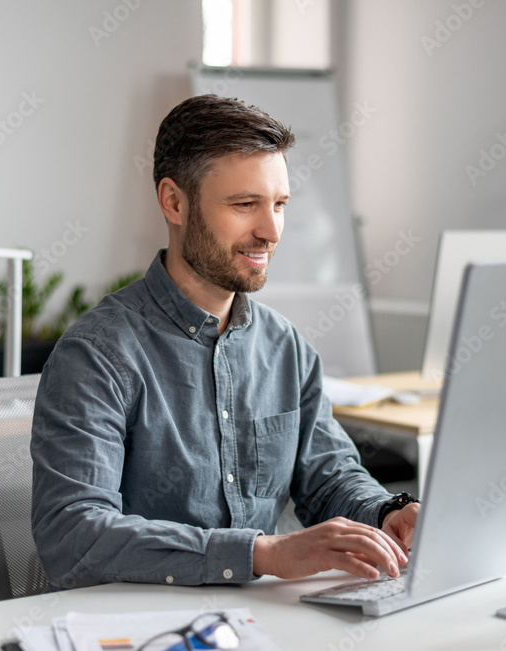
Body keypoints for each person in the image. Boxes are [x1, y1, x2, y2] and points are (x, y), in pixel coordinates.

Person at [31, 94, 420, 590]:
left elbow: (328, 476)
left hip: (259, 621)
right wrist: (261, 553)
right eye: (244, 205)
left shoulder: (286, 348)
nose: (271, 230)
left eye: (279, 204)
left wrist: (387, 512)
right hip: (142, 627)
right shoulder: (97, 355)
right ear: (174, 202)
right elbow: (74, 536)